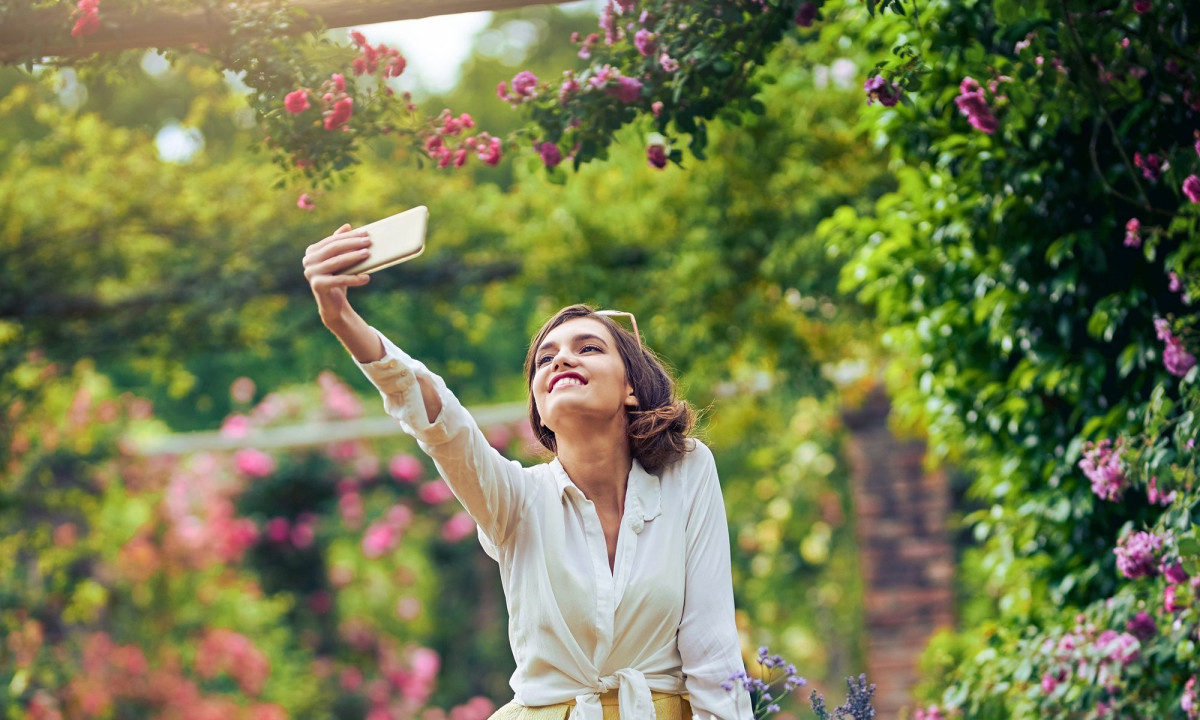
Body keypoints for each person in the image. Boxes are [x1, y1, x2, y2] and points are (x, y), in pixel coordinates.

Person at [303, 224, 753, 720]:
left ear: (631, 388)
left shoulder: (687, 470)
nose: (562, 357)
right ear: (540, 407)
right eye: (546, 358)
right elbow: (441, 423)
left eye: (589, 348)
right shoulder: (514, 501)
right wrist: (341, 317)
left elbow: (713, 652)